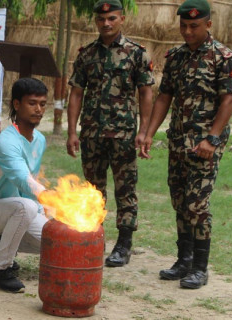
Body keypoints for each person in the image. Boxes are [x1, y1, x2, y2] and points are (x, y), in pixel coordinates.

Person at [139, 0, 232, 289]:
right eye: (183, 25)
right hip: (178, 141)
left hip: (205, 144)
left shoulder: (224, 57)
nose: (187, 31)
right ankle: (183, 261)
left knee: (198, 204)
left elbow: (228, 100)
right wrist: (148, 132)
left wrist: (212, 138)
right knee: (180, 201)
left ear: (208, 24)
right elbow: (164, 97)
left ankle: (200, 267)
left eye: (194, 26)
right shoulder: (176, 57)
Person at [66, 0, 154, 267]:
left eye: (112, 18)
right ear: (96, 21)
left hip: (124, 135)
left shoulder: (136, 53)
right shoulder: (86, 54)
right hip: (92, 134)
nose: (106, 23)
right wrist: (72, 132)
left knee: (125, 190)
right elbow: (76, 93)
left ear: (122, 19)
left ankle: (124, 245)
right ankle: (95, 238)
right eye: (102, 19)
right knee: (94, 190)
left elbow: (146, 93)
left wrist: (144, 131)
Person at [0, 77, 49, 293]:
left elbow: (31, 181)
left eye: (42, 104)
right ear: (16, 104)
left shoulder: (39, 139)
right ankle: (0, 271)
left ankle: (0, 243)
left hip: (18, 207)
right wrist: (47, 197)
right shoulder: (5, 142)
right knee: (27, 207)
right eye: (32, 103)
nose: (38, 109)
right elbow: (22, 178)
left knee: (55, 240)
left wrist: (47, 210)